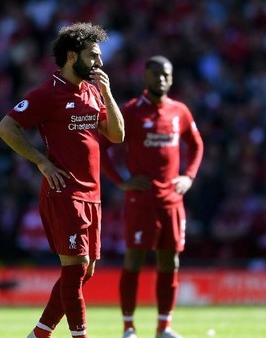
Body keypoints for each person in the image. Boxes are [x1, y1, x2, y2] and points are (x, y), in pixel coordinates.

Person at [0, 22, 124, 338]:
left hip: (92, 194)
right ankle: (79, 335)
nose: (99, 63)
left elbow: (118, 135)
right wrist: (40, 161)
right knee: (75, 269)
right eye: (93, 55)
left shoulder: (93, 92)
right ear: (71, 55)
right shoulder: (47, 93)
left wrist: (107, 92)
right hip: (64, 191)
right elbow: (6, 127)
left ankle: (39, 334)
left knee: (85, 272)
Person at [101, 55, 204, 338]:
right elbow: (101, 146)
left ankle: (164, 327)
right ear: (145, 77)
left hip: (172, 200)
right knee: (134, 260)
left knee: (170, 262)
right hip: (141, 200)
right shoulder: (131, 112)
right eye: (155, 74)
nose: (161, 78)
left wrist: (189, 176)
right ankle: (128, 327)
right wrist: (121, 182)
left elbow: (196, 144)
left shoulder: (179, 111)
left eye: (166, 74)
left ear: (171, 78)